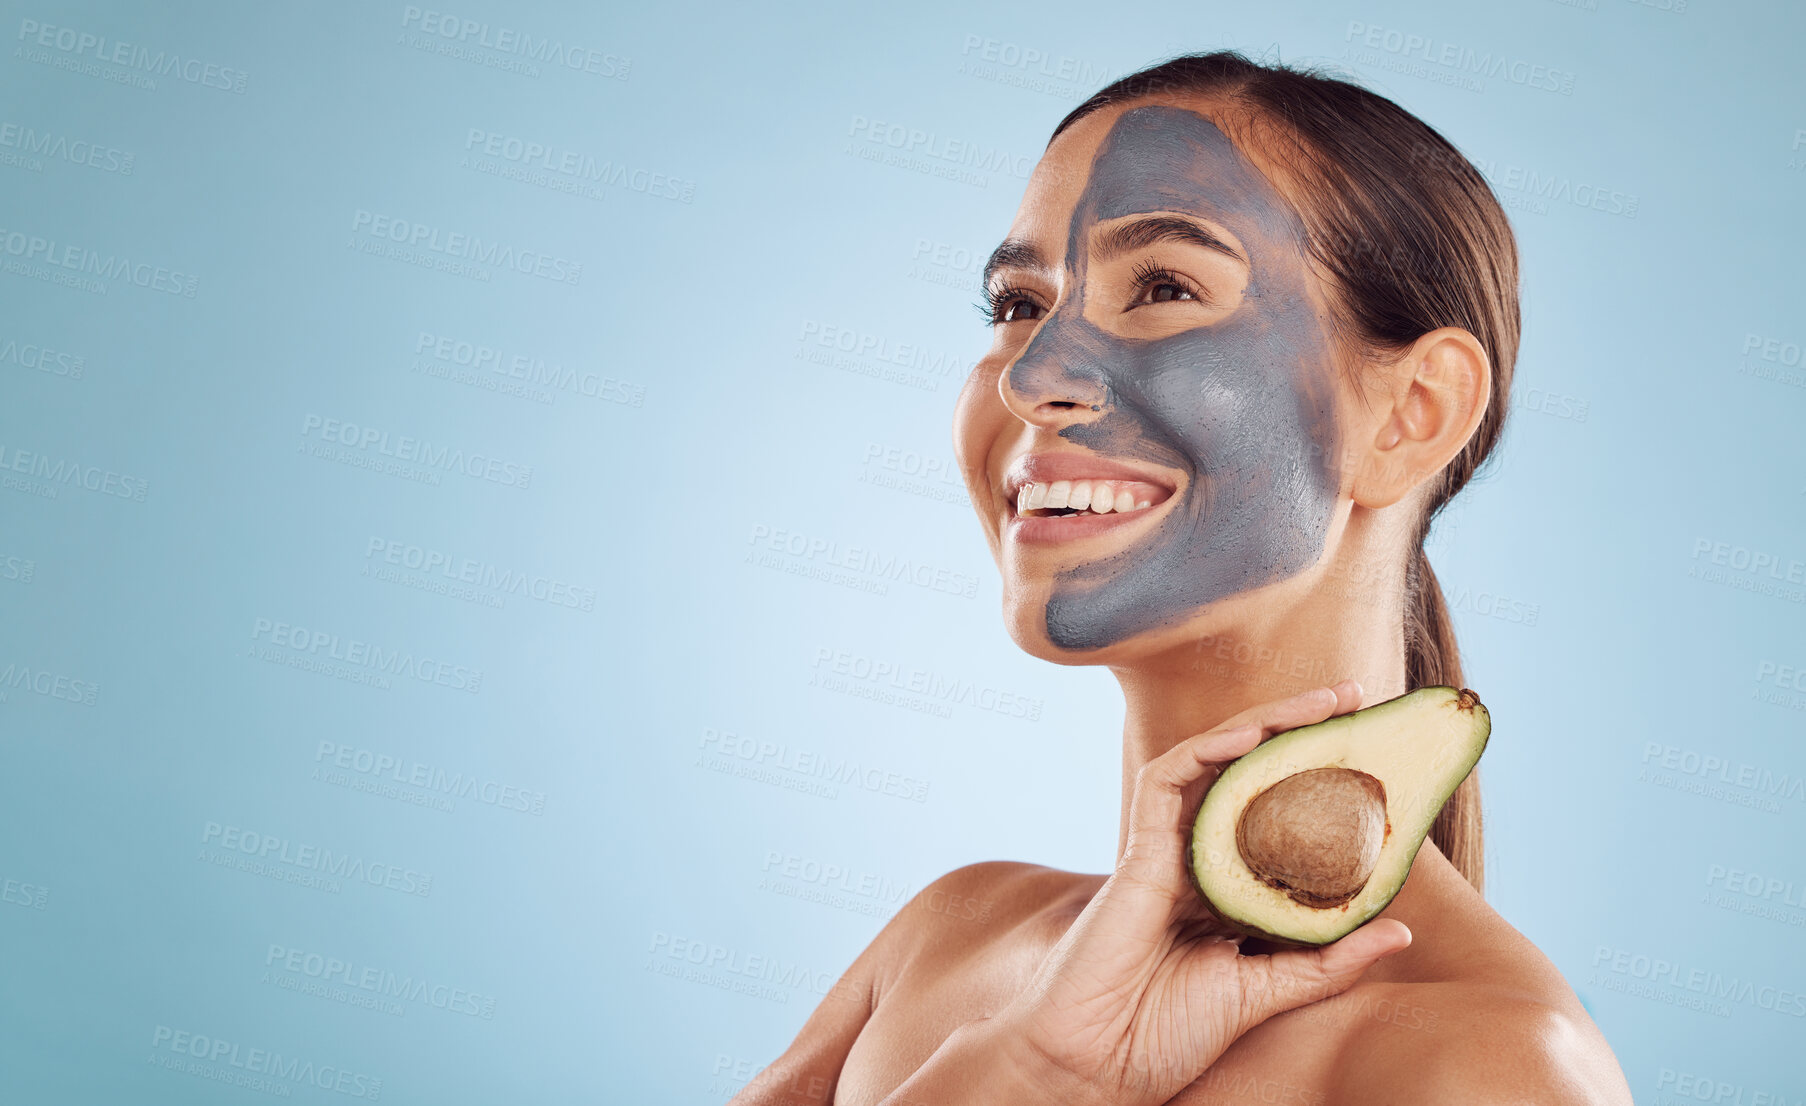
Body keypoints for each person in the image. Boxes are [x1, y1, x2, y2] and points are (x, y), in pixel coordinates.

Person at [729, 50, 1634, 1104]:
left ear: (1411, 413)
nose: (1029, 378)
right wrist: (1033, 1067)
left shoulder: (1487, 1063)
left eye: (1162, 286)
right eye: (1017, 303)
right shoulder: (945, 941)